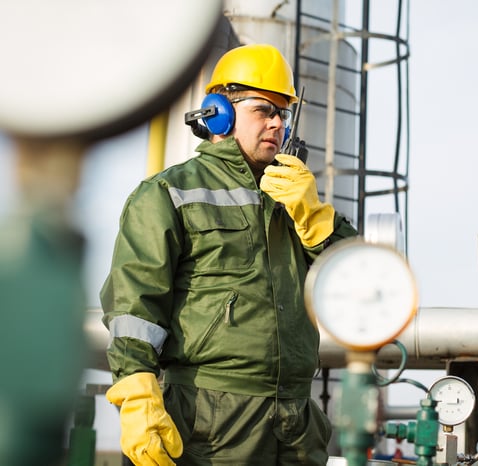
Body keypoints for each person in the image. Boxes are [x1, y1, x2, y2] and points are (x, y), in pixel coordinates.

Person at [100, 43, 358, 466]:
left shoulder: (298, 200)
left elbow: (362, 285)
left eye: (283, 113)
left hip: (295, 426)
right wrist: (135, 389)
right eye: (264, 110)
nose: (277, 123)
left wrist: (317, 222)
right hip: (209, 424)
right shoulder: (168, 193)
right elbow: (134, 305)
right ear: (219, 112)